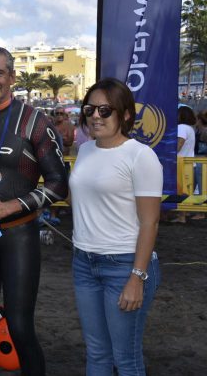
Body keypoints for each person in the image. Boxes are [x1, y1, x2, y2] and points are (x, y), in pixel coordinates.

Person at [0, 47, 68, 376]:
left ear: (12, 78)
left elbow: (60, 184)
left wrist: (8, 207)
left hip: (19, 236)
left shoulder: (34, 121)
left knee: (19, 326)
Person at [69, 78, 162, 375]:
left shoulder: (140, 156)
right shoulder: (84, 151)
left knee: (126, 359)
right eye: (90, 109)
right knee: (96, 353)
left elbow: (151, 221)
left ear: (124, 114)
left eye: (105, 110)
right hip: (83, 263)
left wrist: (137, 277)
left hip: (124, 266)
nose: (96, 116)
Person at [173, 105, 197, 223]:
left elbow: (179, 144)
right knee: (186, 190)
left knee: (180, 190)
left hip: (180, 163)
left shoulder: (181, 127)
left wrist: (170, 154)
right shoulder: (190, 129)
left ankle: (181, 216)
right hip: (188, 163)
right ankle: (184, 212)